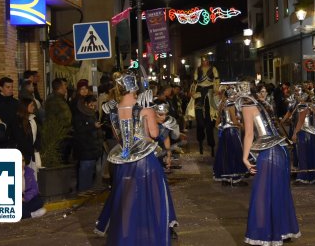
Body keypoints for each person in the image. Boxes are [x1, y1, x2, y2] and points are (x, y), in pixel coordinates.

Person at [97, 73, 177, 244]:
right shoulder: (145, 110)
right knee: (153, 201)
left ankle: (127, 239)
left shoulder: (112, 111)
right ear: (134, 88)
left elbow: (118, 138)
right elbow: (154, 135)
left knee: (126, 203)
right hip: (145, 162)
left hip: (123, 163)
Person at [238, 81, 300, 245]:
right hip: (281, 150)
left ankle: (265, 234)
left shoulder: (247, 107)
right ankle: (282, 230)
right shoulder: (262, 105)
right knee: (279, 192)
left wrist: (245, 158)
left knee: (262, 194)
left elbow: (249, 134)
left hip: (270, 152)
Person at [213, 86, 247, 186]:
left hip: (224, 132)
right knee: (236, 154)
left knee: (224, 155)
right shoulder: (231, 105)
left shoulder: (222, 104)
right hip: (231, 132)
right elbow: (234, 121)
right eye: (235, 94)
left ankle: (225, 178)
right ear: (232, 95)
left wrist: (220, 128)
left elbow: (217, 120)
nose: (236, 96)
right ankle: (235, 178)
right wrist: (241, 125)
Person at [190, 56, 220, 156]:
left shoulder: (213, 68)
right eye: (203, 61)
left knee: (210, 122)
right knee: (200, 122)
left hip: (210, 93)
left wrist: (216, 88)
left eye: (206, 60)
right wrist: (193, 90)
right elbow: (194, 81)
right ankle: (200, 141)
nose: (205, 62)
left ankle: (211, 144)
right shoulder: (197, 69)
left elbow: (216, 79)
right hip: (200, 93)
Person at [73, 95, 103, 192]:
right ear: (85, 104)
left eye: (94, 106)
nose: (93, 107)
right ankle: (83, 192)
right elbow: (79, 130)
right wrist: (92, 126)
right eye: (91, 105)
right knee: (85, 171)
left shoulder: (92, 114)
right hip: (85, 149)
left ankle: (87, 192)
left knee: (90, 172)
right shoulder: (79, 115)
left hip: (92, 149)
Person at [12, 98, 42, 175]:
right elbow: (20, 139)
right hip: (23, 155)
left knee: (32, 178)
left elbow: (38, 135)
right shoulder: (17, 121)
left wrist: (36, 147)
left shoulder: (33, 119)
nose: (34, 107)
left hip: (32, 155)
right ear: (25, 106)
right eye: (31, 105)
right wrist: (30, 149)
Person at [0, 76, 19, 147]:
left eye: (12, 87)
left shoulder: (15, 102)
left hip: (15, 136)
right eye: (8, 87)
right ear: (1, 88)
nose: (11, 89)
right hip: (1, 138)